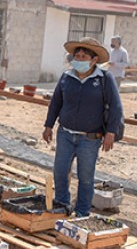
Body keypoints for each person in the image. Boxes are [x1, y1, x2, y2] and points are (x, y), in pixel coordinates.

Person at [42, 37, 123, 217]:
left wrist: (111, 132)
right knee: (60, 172)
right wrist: (48, 125)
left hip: (90, 138)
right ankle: (62, 206)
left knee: (86, 178)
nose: (78, 59)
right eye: (76, 56)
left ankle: (82, 212)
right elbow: (56, 103)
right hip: (65, 134)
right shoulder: (66, 77)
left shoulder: (104, 78)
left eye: (83, 56)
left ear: (94, 60)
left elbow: (116, 106)